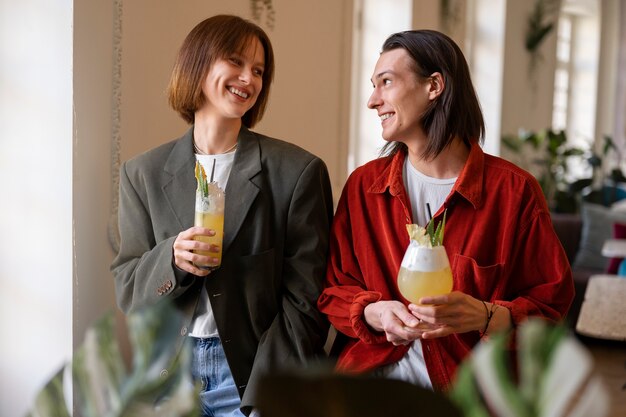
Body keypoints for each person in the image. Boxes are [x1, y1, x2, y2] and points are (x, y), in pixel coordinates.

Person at [317, 29, 574, 390]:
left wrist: (486, 316)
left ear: (434, 86)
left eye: (386, 82)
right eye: (374, 85)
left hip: (471, 393)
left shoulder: (514, 192)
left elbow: (549, 309)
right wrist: (374, 312)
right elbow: (334, 290)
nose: (373, 100)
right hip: (373, 384)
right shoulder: (364, 187)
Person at [111, 15, 333, 417]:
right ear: (197, 66)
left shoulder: (297, 172)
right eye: (235, 62)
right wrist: (172, 259)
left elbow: (306, 302)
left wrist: (269, 394)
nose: (248, 78)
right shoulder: (141, 173)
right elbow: (129, 291)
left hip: (254, 379)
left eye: (259, 70)